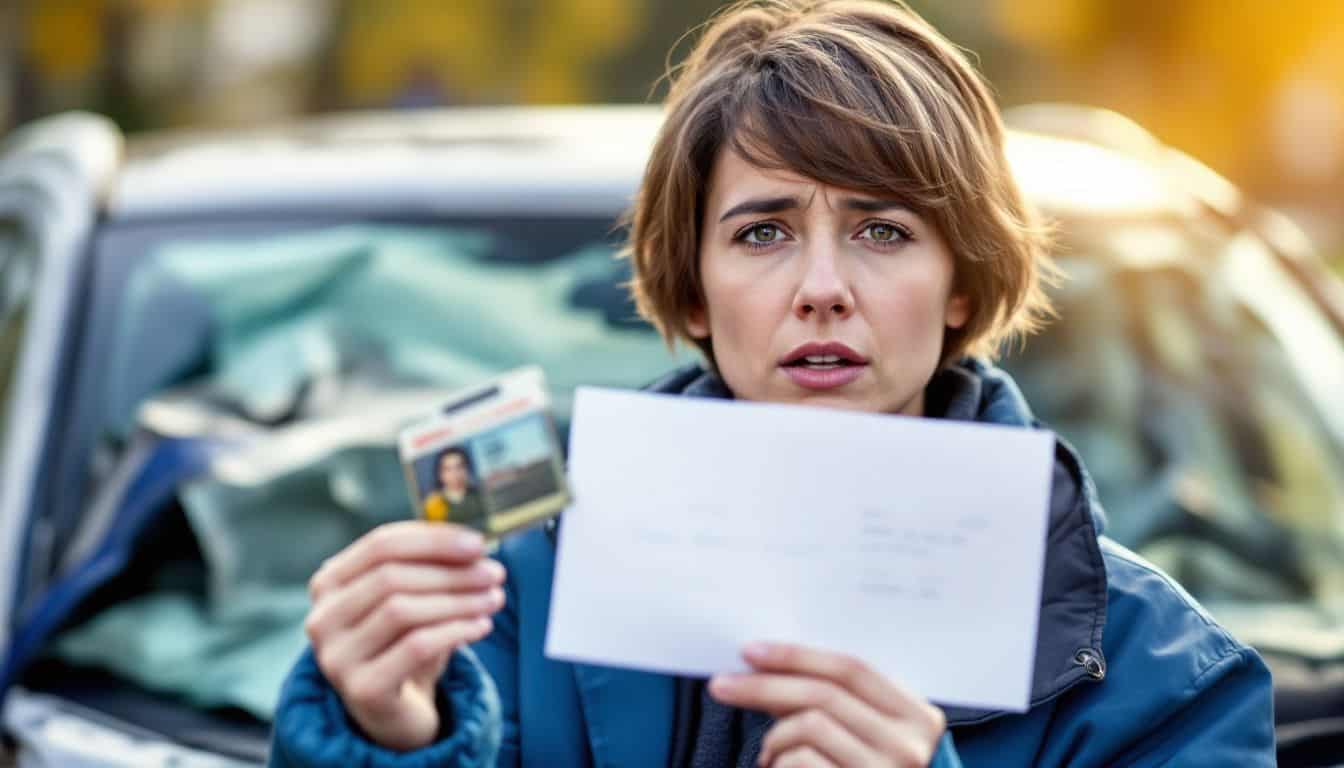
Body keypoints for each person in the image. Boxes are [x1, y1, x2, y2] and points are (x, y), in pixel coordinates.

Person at [270, 1, 1276, 765]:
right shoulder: (501, 600)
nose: (823, 289)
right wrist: (387, 732)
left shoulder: (1173, 680)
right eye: (763, 233)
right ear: (694, 290)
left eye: (884, 230)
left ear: (962, 284)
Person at [422, 447, 488, 531]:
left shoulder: (480, 495)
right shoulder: (433, 505)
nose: (455, 474)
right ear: (440, 474)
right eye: (448, 469)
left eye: (459, 467)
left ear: (467, 469)